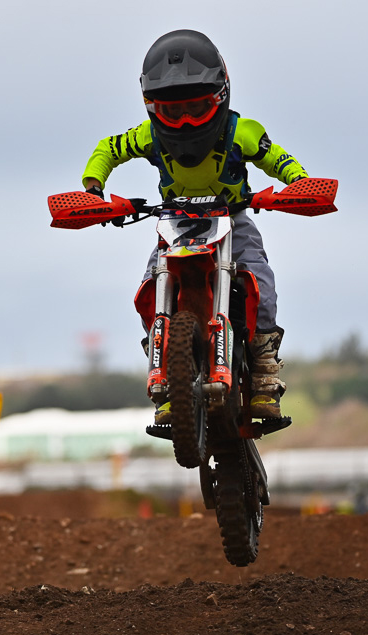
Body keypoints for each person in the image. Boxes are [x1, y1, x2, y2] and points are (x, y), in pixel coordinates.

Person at [81, 29, 309, 422]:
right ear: (153, 108)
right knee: (150, 287)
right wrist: (93, 188)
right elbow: (108, 148)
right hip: (175, 222)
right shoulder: (148, 136)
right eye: (173, 112)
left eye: (196, 108)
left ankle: (265, 369)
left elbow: (280, 160)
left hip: (232, 219)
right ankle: (168, 379)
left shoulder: (243, 132)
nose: (185, 122)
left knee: (261, 278)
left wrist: (300, 185)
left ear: (220, 98)